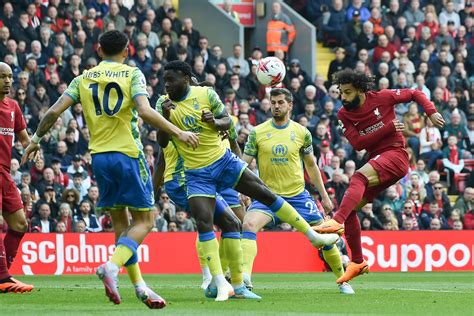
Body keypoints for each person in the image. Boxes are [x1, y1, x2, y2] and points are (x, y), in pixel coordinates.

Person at [22, 30, 199, 309]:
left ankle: (139, 286)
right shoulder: (132, 75)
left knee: (121, 224)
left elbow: (54, 111)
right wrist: (179, 132)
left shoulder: (84, 78)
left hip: (100, 158)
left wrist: (35, 140)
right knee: (145, 221)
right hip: (128, 155)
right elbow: (144, 110)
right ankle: (111, 267)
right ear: (127, 50)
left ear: (99, 50)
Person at [158, 60, 338, 301]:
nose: (166, 85)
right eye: (165, 81)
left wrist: (214, 122)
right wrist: (166, 115)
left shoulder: (207, 94)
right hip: (195, 173)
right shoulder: (163, 103)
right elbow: (161, 142)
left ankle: (311, 236)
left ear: (185, 77)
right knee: (206, 222)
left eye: (171, 79)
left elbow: (227, 123)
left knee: (262, 195)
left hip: (223, 163)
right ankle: (219, 282)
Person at [314, 69, 444, 283]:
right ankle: (357, 261)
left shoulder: (383, 97)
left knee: (357, 178)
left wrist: (430, 111)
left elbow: (414, 93)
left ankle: (336, 221)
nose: (343, 97)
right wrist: (387, 127)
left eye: (347, 92)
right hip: (379, 159)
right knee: (353, 209)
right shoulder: (343, 115)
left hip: (396, 155)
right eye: (341, 92)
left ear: (361, 90)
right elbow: (357, 144)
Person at [241, 88, 354, 294]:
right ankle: (245, 282)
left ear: (290, 105)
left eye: (280, 102)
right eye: (273, 102)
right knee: (248, 225)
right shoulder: (257, 132)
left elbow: (311, 167)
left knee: (324, 235)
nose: (276, 106)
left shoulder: (302, 133)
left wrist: (325, 196)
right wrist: (240, 188)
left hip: (298, 196)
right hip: (268, 196)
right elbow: (243, 164)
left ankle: (343, 280)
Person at [0, 62, 33, 293]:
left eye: (10, 76)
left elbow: (23, 137)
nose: (8, 81)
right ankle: (3, 278)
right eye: (3, 77)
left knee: (20, 224)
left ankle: (4, 273)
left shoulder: (12, 106)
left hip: (4, 172)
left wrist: (32, 147)